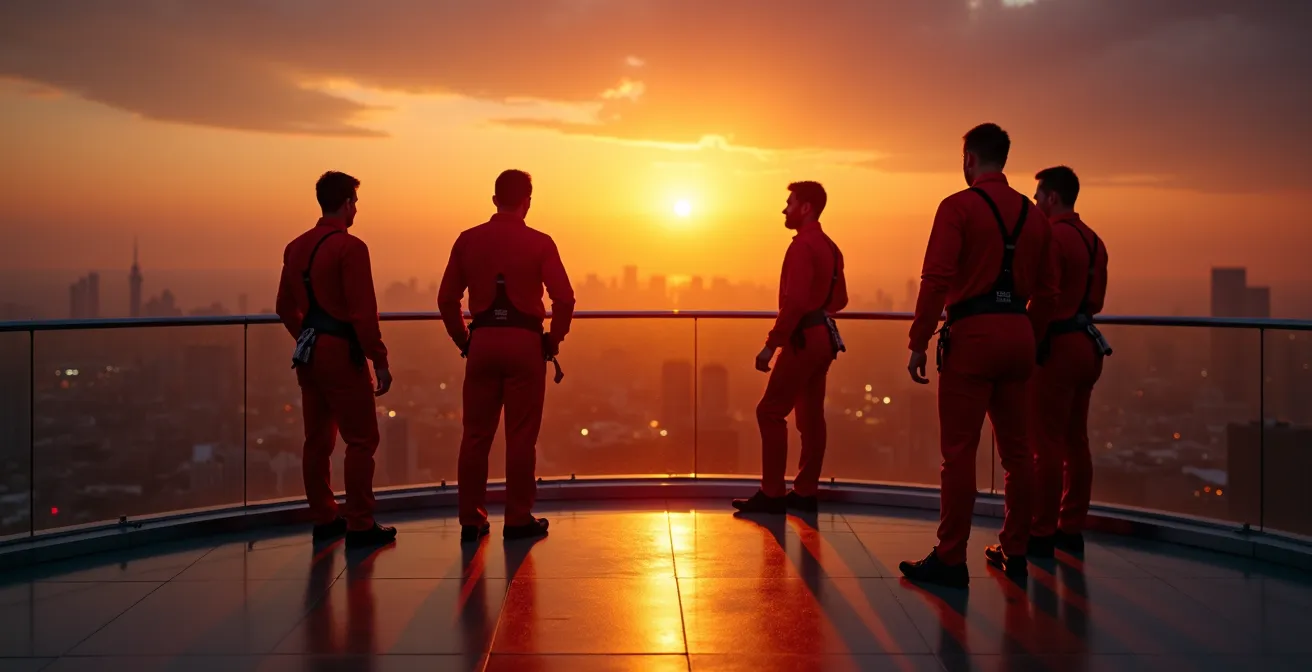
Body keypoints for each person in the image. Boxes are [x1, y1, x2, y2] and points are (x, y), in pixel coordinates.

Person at [899, 124, 1060, 586]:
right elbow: (1048, 292)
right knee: (1018, 454)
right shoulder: (1035, 218)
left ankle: (951, 557)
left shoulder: (958, 207)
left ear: (969, 158)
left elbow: (935, 279)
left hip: (971, 337)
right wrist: (1031, 334)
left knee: (959, 453)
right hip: (1020, 337)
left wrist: (919, 339)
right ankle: (1016, 548)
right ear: (1003, 160)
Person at [438, 169, 575, 542]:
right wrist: (554, 340)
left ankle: (471, 519)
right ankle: (517, 519)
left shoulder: (468, 240)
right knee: (520, 437)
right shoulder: (540, 243)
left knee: (476, 436)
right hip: (525, 343)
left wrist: (462, 339)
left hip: (481, 342)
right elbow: (564, 298)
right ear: (527, 201)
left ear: (494, 198)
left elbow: (446, 298)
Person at [276, 170, 396, 549]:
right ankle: (360, 523)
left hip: (309, 354)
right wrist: (379, 359)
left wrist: (309, 338)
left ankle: (325, 517)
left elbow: (284, 307)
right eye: (355, 202)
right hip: (341, 354)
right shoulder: (351, 248)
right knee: (361, 439)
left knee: (317, 441)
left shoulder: (295, 247)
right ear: (346, 203)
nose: (357, 209)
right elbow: (363, 313)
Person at [733, 181, 848, 514]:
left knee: (769, 411)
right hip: (824, 338)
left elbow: (795, 301)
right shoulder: (830, 246)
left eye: (789, 203)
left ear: (806, 207)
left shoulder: (802, 247)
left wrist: (771, 346)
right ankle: (805, 491)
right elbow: (840, 300)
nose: (784, 209)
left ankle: (772, 494)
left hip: (802, 339)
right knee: (811, 418)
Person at [1029, 166, 1110, 556]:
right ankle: (1070, 525)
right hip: (1087, 344)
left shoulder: (1052, 237)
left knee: (1045, 443)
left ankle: (1041, 530)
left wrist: (1031, 337)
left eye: (1038, 196)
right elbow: (1096, 301)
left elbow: (1044, 295)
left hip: (1056, 346)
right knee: (1076, 441)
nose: (1035, 203)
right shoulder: (1094, 241)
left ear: (1052, 198)